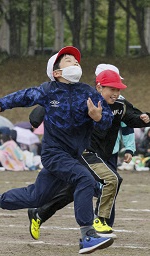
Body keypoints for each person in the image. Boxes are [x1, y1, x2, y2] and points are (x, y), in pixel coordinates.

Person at [0, 46, 114, 254]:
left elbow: (106, 122)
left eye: (76, 61)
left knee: (36, 197)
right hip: (54, 154)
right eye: (69, 60)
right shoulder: (48, 90)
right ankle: (87, 234)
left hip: (72, 156)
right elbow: (24, 96)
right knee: (85, 178)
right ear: (57, 72)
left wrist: (98, 118)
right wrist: (0, 105)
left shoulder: (88, 92)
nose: (76, 63)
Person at [27, 65, 150, 240]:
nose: (116, 92)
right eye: (112, 87)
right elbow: (53, 102)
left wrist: (145, 119)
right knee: (109, 181)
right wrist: (37, 117)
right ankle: (99, 223)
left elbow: (134, 119)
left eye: (118, 87)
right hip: (84, 153)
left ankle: (40, 213)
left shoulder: (120, 104)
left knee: (80, 190)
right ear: (99, 86)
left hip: (105, 156)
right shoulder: (83, 99)